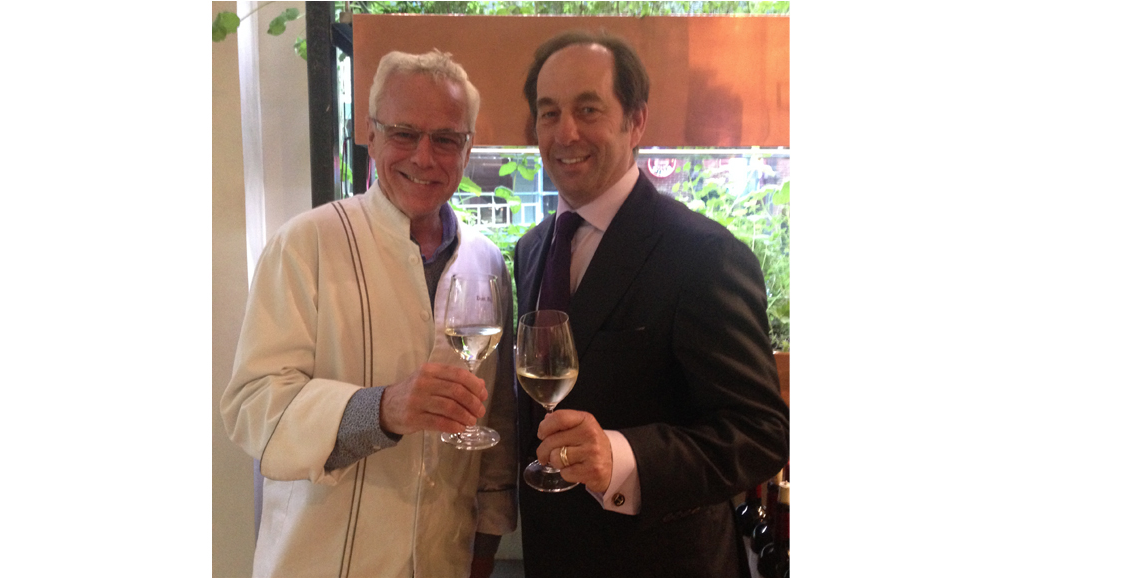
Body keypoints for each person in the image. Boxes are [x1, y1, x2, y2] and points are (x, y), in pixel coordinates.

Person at [220, 50, 516, 578]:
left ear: (466, 150)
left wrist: (485, 545)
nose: (425, 157)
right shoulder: (305, 243)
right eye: (404, 133)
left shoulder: (486, 261)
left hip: (442, 560)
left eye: (446, 139)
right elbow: (251, 406)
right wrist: (381, 410)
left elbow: (495, 422)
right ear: (371, 136)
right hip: (319, 560)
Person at [513, 30, 791, 578]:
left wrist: (619, 457)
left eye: (588, 108)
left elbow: (760, 433)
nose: (565, 132)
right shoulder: (532, 248)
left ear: (635, 121)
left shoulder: (703, 254)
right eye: (549, 113)